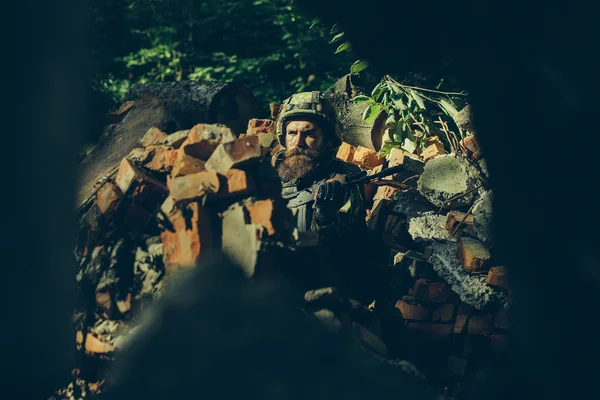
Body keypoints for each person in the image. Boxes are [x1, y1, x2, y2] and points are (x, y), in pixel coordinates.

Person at [273, 91, 367, 234]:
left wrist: (325, 218)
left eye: (309, 134)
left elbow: (346, 244)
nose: (298, 142)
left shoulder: (343, 177)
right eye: (292, 133)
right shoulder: (269, 174)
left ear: (328, 138)